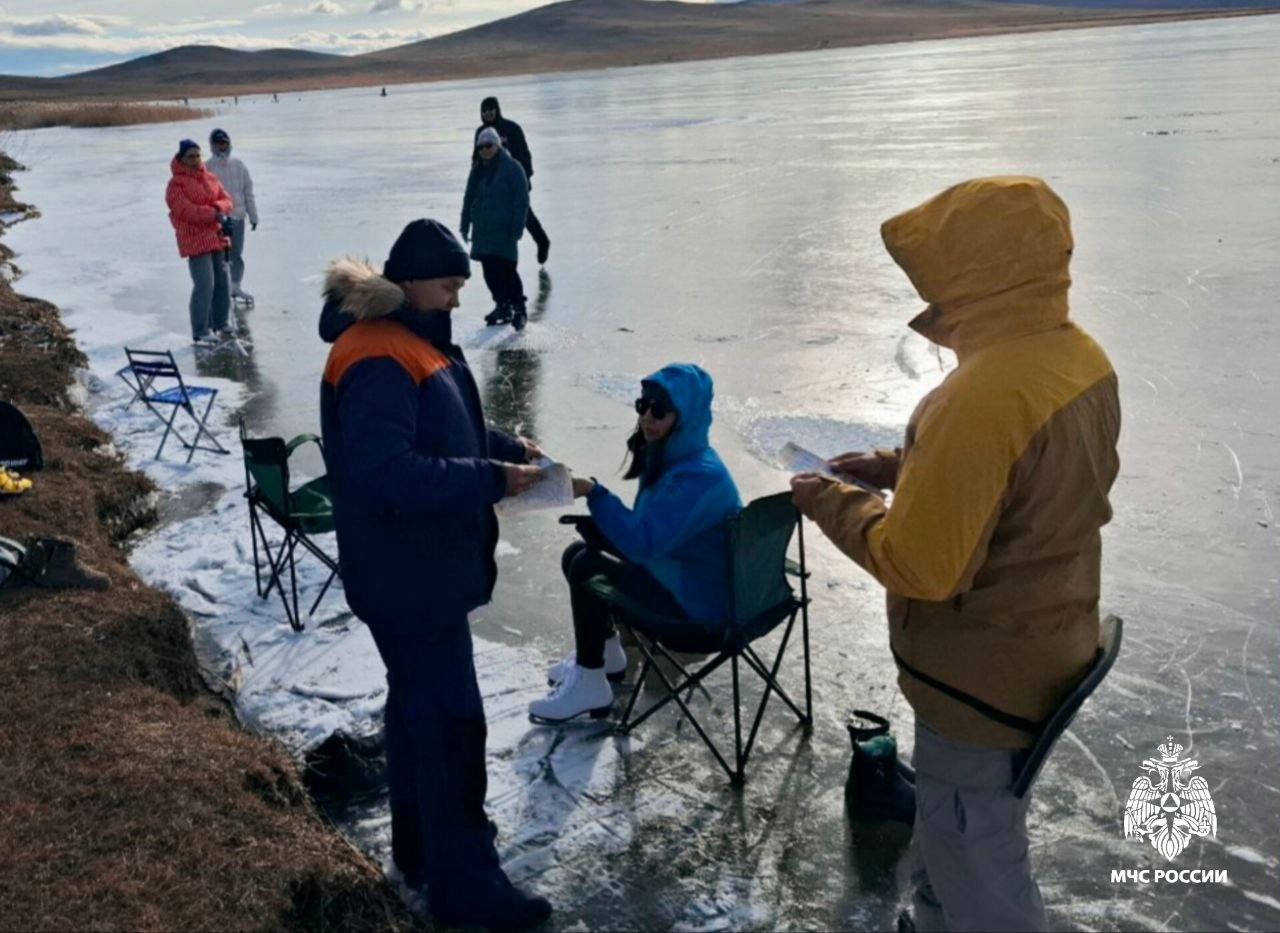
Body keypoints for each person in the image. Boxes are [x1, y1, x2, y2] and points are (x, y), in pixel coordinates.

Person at [790, 176, 1120, 932]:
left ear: (976, 268)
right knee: (956, 832)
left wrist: (831, 500)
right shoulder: (1077, 358)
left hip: (981, 681)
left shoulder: (979, 397)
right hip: (1047, 637)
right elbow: (1022, 475)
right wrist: (899, 466)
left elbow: (921, 566)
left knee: (978, 856)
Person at [318, 218, 551, 930]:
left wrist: (507, 447)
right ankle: (466, 885)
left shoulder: (406, 339)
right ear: (413, 282)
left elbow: (437, 423)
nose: (457, 299)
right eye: (449, 286)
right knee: (452, 725)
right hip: (410, 579)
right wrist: (491, 478)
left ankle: (422, 847)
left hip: (410, 574)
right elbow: (384, 471)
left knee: (418, 710)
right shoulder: (378, 354)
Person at [529, 363, 742, 722]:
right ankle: (607, 655)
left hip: (698, 614)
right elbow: (650, 535)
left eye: (659, 410)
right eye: (643, 406)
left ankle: (590, 682)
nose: (646, 418)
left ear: (686, 417)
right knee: (578, 552)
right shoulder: (677, 459)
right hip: (682, 579)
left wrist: (594, 492)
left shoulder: (695, 476)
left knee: (587, 566)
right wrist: (603, 524)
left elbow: (643, 545)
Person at [165, 139, 233, 347]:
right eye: (190, 156)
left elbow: (227, 200)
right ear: (182, 159)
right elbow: (185, 211)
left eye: (197, 155)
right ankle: (201, 330)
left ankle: (220, 322)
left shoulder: (209, 177)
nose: (195, 160)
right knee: (205, 285)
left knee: (222, 282)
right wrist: (214, 213)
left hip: (216, 236)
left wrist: (218, 208)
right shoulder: (175, 185)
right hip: (194, 239)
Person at [460, 127, 530, 329]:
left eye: (488, 145)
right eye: (480, 147)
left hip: (504, 231)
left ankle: (519, 308)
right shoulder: (477, 170)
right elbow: (469, 198)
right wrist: (465, 224)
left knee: (507, 271)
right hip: (483, 231)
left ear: (497, 145)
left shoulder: (513, 168)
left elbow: (521, 200)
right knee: (489, 272)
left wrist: (517, 227)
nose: (484, 150)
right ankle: (502, 305)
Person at [475, 95, 551, 266]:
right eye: (484, 111)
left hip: (514, 181)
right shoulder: (480, 133)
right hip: (492, 185)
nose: (488, 113)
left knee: (524, 215)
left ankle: (542, 241)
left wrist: (526, 177)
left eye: (491, 109)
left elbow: (525, 154)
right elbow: (476, 159)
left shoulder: (511, 128)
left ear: (497, 109)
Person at [205, 128, 259, 305]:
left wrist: (253, 216)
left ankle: (235, 286)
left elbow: (248, 192)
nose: (222, 147)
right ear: (212, 146)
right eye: (218, 144)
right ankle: (221, 290)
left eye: (225, 143)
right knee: (220, 257)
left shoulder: (239, 165)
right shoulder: (207, 168)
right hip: (218, 221)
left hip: (238, 219)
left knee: (236, 255)